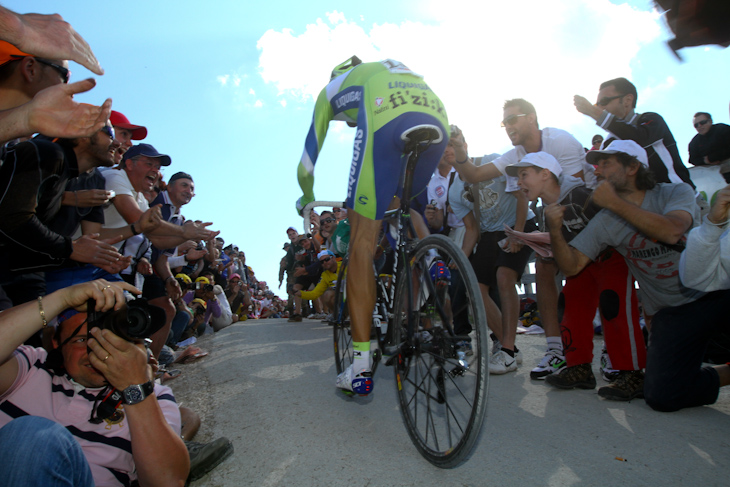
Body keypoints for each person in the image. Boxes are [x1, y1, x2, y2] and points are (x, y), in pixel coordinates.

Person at [295, 56, 449, 395]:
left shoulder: (330, 90)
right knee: (404, 204)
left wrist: (305, 197)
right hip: (436, 114)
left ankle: (361, 368)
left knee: (361, 244)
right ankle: (433, 260)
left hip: (384, 116)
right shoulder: (385, 67)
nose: (347, 123)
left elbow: (307, 163)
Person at [546, 139, 730, 411]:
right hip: (671, 314)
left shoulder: (673, 192)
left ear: (633, 167)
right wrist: (555, 231)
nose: (597, 171)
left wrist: (616, 204)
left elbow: (672, 230)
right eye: (597, 165)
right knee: (661, 395)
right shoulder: (606, 220)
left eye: (606, 163)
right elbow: (572, 267)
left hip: (715, 296)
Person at [449, 98, 594, 380]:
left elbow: (580, 194)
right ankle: (550, 350)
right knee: (542, 270)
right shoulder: (515, 155)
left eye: (513, 119)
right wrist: (459, 151)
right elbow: (475, 175)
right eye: (505, 123)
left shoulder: (560, 142)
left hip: (587, 219)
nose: (509, 127)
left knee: (583, 282)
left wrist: (522, 234)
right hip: (550, 220)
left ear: (532, 117)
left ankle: (603, 354)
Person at [0, 279, 189, 486]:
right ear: (56, 342)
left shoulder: (154, 398)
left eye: (110, 340)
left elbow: (169, 482)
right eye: (81, 340)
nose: (95, 352)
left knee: (34, 436)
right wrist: (62, 298)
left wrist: (135, 387)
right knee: (32, 435)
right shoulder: (30, 366)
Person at [508, 150, 646, 399]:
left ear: (546, 174)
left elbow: (614, 223)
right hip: (581, 265)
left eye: (524, 175)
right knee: (571, 304)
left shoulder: (583, 195)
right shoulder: (544, 210)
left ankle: (632, 372)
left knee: (614, 307)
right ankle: (579, 367)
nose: (519, 182)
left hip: (610, 258)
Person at [448, 140, 536, 374]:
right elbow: (472, 229)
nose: (448, 151)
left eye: (452, 145)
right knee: (475, 289)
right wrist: (460, 257)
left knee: (505, 277)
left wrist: (517, 235)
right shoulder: (454, 190)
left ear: (464, 146)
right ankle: (511, 351)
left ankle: (505, 350)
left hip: (520, 223)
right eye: (442, 148)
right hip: (489, 233)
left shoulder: (494, 162)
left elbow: (521, 197)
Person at [573, 77, 695, 189]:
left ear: (627, 100)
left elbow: (639, 139)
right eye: (596, 105)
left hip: (681, 197)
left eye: (604, 101)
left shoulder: (651, 120)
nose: (599, 108)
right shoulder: (609, 143)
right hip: (645, 208)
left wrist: (593, 113)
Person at [687, 111, 730, 183]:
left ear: (710, 121)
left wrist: (713, 157)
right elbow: (692, 159)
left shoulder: (722, 129)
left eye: (702, 122)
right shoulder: (694, 142)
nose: (699, 126)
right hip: (713, 174)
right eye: (696, 125)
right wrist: (705, 161)